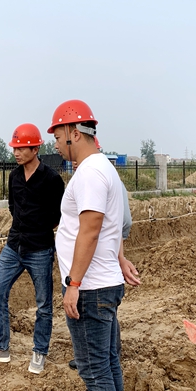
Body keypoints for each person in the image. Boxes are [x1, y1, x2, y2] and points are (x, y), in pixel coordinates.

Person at [48, 99, 138, 391]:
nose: (55, 145)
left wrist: (73, 284)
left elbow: (91, 228)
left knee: (95, 371)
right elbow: (113, 224)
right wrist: (120, 258)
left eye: (58, 137)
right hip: (103, 282)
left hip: (90, 288)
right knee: (108, 363)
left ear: (74, 132)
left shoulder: (89, 173)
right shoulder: (103, 168)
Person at [0, 123, 65, 374]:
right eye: (14, 148)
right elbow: (13, 208)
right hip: (14, 246)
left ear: (35, 149)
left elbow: (58, 215)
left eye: (21, 148)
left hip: (40, 249)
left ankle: (40, 351)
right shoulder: (13, 176)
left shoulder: (52, 179)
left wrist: (38, 229)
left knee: (43, 303)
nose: (16, 152)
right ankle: (0, 347)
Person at [68, 137, 140, 371]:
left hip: (94, 277)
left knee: (97, 367)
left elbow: (117, 224)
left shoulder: (96, 177)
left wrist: (74, 283)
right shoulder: (96, 176)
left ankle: (102, 355)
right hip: (98, 273)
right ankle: (104, 355)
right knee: (105, 349)